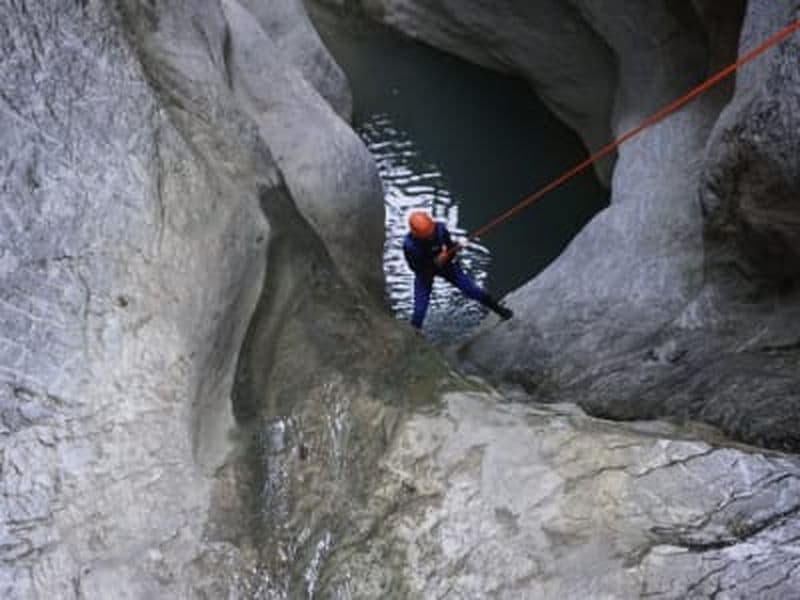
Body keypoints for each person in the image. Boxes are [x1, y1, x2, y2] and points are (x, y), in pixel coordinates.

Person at [403, 210, 513, 329]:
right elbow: (416, 268)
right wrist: (435, 262)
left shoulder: (440, 230)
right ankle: (414, 333)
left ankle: (500, 311)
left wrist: (454, 249)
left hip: (446, 266)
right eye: (426, 236)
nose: (430, 237)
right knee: (419, 310)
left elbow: (450, 248)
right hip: (425, 273)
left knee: (474, 291)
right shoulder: (410, 246)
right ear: (415, 235)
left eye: (430, 233)